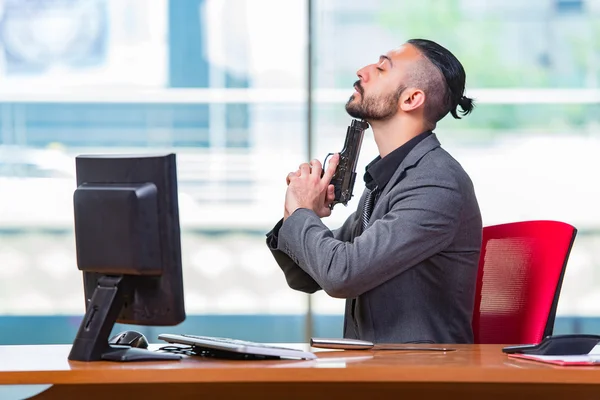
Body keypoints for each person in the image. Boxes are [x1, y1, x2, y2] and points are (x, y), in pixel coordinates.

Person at [265, 38, 482, 344]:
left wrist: (302, 212)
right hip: (374, 372)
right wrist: (299, 212)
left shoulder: (435, 183)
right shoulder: (388, 179)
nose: (362, 71)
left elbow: (341, 275)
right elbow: (305, 276)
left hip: (420, 380)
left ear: (411, 99)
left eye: (381, 68)